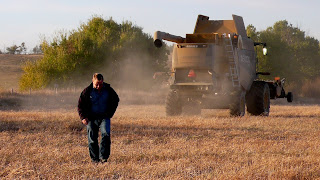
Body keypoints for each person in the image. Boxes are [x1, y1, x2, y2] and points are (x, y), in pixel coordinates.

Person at [78, 73, 119, 163]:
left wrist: (110, 113)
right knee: (92, 139)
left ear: (103, 81)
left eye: (100, 84)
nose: (98, 86)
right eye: (97, 84)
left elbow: (116, 99)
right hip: (91, 118)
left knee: (106, 135)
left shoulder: (108, 89)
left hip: (104, 117)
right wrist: (83, 117)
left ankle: (103, 158)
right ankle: (95, 159)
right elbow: (80, 105)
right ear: (93, 81)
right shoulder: (87, 91)